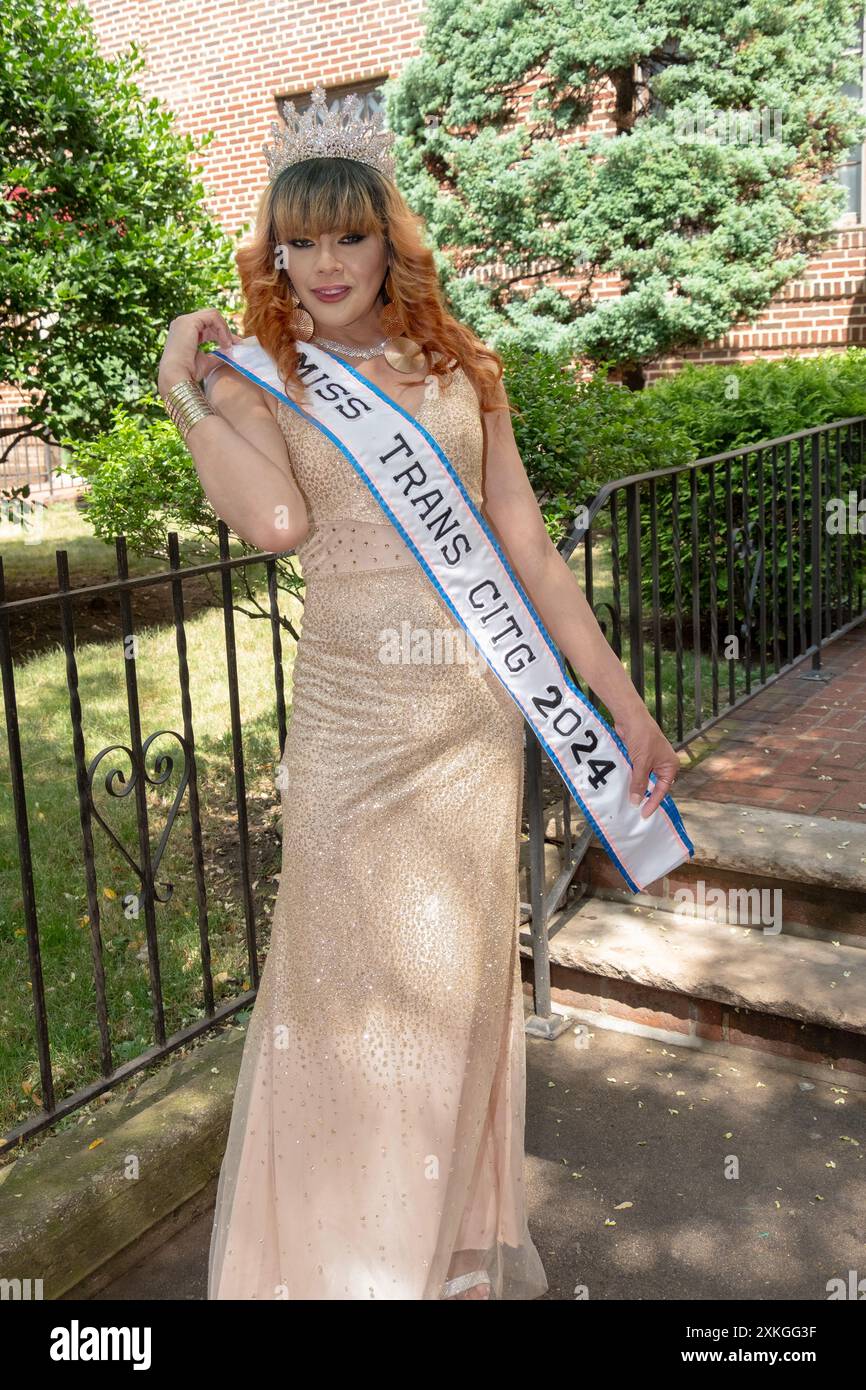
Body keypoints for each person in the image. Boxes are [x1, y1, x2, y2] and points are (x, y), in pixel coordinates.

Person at [157, 84, 681, 1301]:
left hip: (468, 731)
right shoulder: (261, 375)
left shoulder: (464, 367)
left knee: (448, 994)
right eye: (301, 241)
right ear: (273, 254)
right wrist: (188, 389)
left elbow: (531, 557)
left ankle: (434, 1249)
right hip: (351, 731)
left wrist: (621, 703)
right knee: (346, 994)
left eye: (349, 236)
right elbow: (278, 521)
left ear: (389, 244)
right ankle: (342, 1264)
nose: (326, 262)